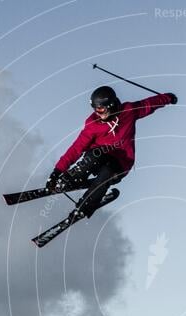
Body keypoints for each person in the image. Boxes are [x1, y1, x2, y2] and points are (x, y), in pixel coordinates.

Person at [46, 85, 177, 220]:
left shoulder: (129, 111)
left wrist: (168, 98)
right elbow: (76, 148)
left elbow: (149, 104)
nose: (98, 113)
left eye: (101, 109)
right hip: (99, 157)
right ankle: (70, 178)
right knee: (94, 155)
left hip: (121, 162)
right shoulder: (93, 124)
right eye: (95, 109)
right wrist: (57, 171)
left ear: (111, 105)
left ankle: (84, 207)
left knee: (108, 172)